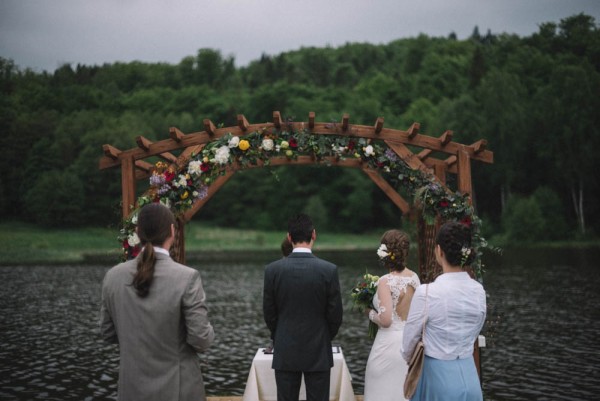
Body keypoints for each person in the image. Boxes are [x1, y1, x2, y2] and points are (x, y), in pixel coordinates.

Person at [99, 203, 215, 401]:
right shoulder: (187, 277)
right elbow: (201, 340)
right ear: (172, 231)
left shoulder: (113, 276)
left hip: (131, 390)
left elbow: (108, 333)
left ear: (137, 232)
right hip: (178, 391)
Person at [263, 213, 343, 401]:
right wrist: (323, 336)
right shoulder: (329, 270)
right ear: (313, 234)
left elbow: (269, 313)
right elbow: (335, 315)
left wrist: (280, 334)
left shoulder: (273, 270)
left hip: (285, 348)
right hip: (318, 350)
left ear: (289, 237)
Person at [402, 221, 486, 401]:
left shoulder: (426, 292)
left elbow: (408, 344)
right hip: (470, 375)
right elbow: (476, 329)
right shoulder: (478, 290)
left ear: (439, 251)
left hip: (436, 378)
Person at [363, 229, 420, 401]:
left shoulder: (385, 281)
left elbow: (386, 321)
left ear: (384, 254)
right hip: (409, 345)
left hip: (387, 347)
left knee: (381, 393)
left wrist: (369, 312)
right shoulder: (415, 278)